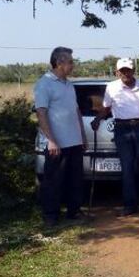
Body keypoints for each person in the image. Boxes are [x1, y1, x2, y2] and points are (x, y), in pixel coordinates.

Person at [91, 58, 139, 217]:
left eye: (128, 70)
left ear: (134, 70)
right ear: (117, 72)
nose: (126, 73)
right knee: (127, 168)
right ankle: (130, 205)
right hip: (121, 129)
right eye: (122, 71)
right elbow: (106, 109)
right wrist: (97, 119)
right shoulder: (112, 87)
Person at [34, 46, 88, 226]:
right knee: (53, 181)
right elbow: (41, 113)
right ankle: (51, 216)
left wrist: (83, 137)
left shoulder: (69, 85)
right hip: (56, 144)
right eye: (70, 62)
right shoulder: (44, 84)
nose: (73, 65)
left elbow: (76, 111)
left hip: (74, 142)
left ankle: (74, 212)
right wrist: (51, 140)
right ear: (59, 62)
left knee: (75, 180)